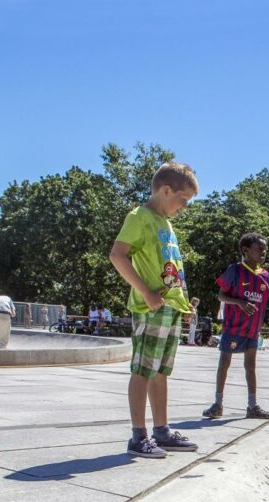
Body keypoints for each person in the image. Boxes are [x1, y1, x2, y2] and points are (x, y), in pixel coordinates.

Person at [108, 160, 200, 458]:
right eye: (182, 200)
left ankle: (162, 431)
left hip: (170, 307)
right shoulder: (140, 217)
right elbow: (117, 256)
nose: (184, 207)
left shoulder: (166, 224)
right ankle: (139, 436)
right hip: (150, 308)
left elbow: (171, 270)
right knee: (143, 370)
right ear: (165, 190)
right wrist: (145, 292)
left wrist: (184, 304)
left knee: (160, 371)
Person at [203, 233, 269, 420]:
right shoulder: (235, 270)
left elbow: (263, 303)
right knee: (224, 363)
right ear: (245, 250)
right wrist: (240, 303)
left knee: (250, 366)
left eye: (265, 248)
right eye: (259, 248)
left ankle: (252, 406)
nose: (263, 251)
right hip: (233, 327)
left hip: (252, 330)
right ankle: (217, 404)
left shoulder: (265, 275)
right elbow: (221, 296)